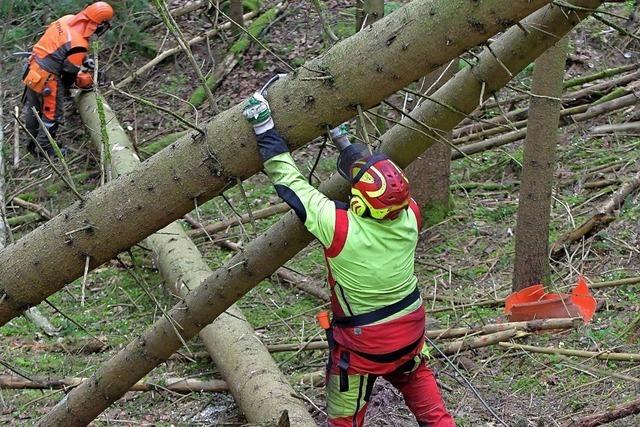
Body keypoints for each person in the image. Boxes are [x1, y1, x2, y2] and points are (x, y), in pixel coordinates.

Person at [242, 91, 455, 426]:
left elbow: (291, 184)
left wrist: (265, 128)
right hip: (410, 332)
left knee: (344, 420)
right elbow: (378, 184)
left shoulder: (338, 227)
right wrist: (343, 139)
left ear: (358, 205)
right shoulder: (411, 214)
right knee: (424, 395)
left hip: (362, 347)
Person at [21, 1, 114, 157]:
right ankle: (46, 148)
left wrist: (83, 60)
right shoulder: (79, 44)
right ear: (96, 24)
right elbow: (69, 72)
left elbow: (62, 46)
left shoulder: (65, 20)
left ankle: (31, 140)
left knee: (33, 107)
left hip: (32, 67)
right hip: (47, 79)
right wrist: (68, 88)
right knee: (52, 115)